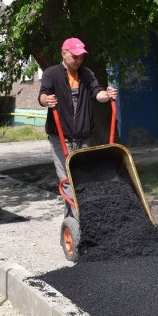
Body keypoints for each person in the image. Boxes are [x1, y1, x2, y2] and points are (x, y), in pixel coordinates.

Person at [38, 37, 118, 198]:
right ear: (63, 53)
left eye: (81, 57)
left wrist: (107, 95)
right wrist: (47, 100)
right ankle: (77, 218)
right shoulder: (51, 74)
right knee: (67, 179)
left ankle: (77, 217)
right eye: (74, 56)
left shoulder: (86, 74)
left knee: (84, 177)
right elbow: (43, 95)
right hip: (61, 137)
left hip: (84, 136)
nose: (78, 60)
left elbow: (97, 93)